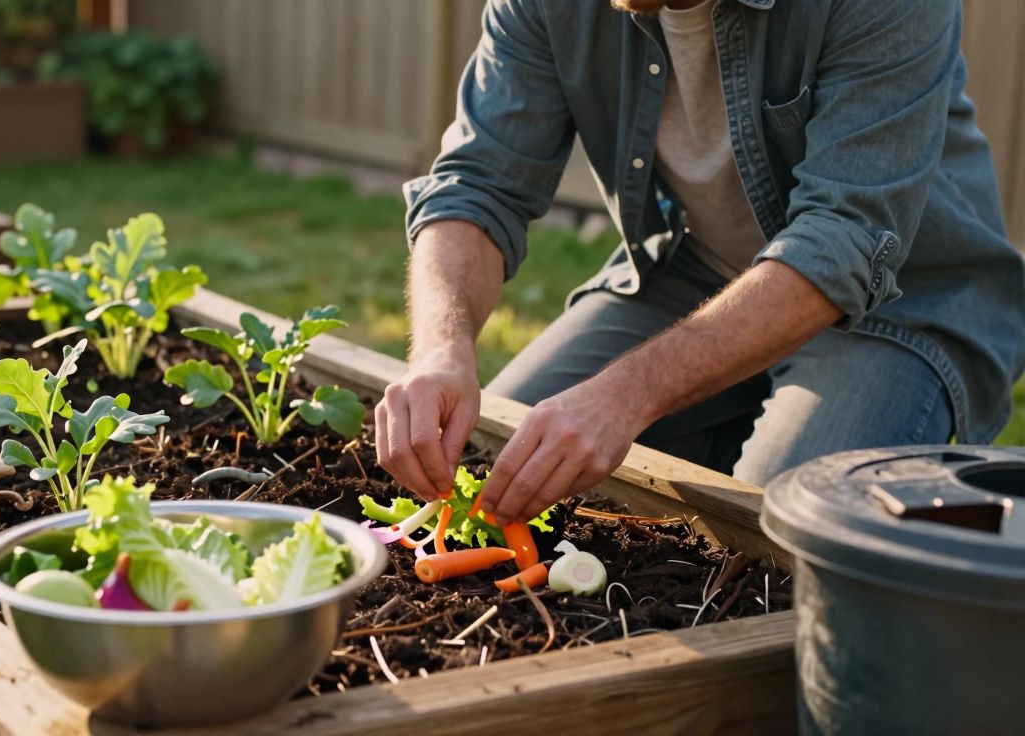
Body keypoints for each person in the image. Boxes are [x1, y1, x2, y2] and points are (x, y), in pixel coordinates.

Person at [375, 0, 1025, 526]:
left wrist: (625, 395)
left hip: (902, 304)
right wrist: (442, 351)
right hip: (696, 273)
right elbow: (478, 184)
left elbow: (844, 239)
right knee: (493, 472)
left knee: (776, 535)